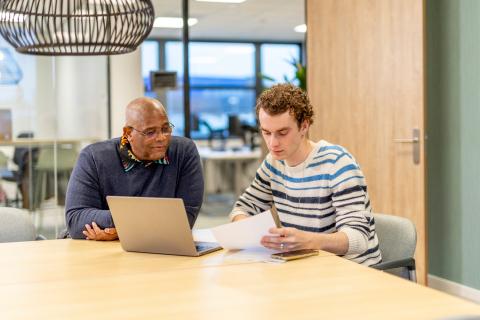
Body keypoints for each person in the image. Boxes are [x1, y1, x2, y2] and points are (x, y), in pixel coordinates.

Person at [230, 84, 381, 266]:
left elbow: (358, 239)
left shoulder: (337, 163)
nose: (272, 143)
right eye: (266, 132)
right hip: (308, 267)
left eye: (282, 132)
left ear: (304, 126)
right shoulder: (273, 163)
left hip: (353, 272)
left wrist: (308, 241)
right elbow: (242, 208)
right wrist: (251, 231)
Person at [65, 97, 204, 240]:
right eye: (150, 132)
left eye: (165, 129)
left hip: (159, 250)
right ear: (128, 133)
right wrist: (146, 222)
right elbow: (76, 220)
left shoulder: (184, 152)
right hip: (98, 252)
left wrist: (121, 230)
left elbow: (184, 220)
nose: (161, 138)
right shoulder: (93, 157)